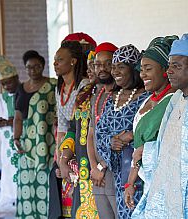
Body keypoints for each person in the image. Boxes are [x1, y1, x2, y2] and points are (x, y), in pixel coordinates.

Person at [133, 33, 188, 219]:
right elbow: (162, 146)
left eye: (176, 66)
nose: (169, 71)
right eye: (169, 65)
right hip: (167, 192)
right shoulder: (175, 98)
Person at [95, 44, 150, 218]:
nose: (115, 71)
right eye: (114, 67)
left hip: (140, 171)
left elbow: (151, 132)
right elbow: (99, 132)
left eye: (121, 67)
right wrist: (111, 142)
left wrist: (131, 138)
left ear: (133, 70)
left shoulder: (146, 97)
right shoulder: (112, 99)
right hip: (118, 174)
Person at [124, 35, 178, 210]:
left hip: (164, 183)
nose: (143, 74)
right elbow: (137, 150)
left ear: (165, 69)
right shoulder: (146, 100)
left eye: (148, 69)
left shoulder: (173, 100)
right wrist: (130, 183)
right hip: (145, 180)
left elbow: (147, 142)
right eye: (141, 70)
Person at [13, 50, 57, 218]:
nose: (33, 70)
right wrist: (16, 138)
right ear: (25, 68)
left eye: (36, 66)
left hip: (48, 142)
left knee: (45, 182)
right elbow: (18, 116)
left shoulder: (52, 85)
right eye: (29, 67)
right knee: (27, 181)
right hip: (26, 142)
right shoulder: (21, 89)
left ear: (43, 66)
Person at [50, 40, 89, 218]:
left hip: (82, 143)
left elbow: (78, 125)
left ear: (73, 61)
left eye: (60, 59)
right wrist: (59, 157)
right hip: (68, 144)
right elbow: (62, 125)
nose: (55, 63)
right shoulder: (60, 88)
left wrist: (67, 156)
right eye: (55, 60)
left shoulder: (84, 86)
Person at [86, 42, 119, 218]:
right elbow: (91, 135)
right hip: (97, 174)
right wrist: (93, 167)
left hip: (113, 171)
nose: (102, 68)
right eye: (98, 64)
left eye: (108, 63)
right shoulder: (96, 96)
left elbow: (119, 139)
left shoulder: (123, 96)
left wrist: (101, 167)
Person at [0, 56, 19, 218]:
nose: (7, 86)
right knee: (8, 168)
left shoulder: (25, 92)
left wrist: (11, 121)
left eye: (10, 82)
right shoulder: (0, 98)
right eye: (4, 84)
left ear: (17, 78)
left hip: (21, 141)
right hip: (7, 143)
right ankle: (9, 198)